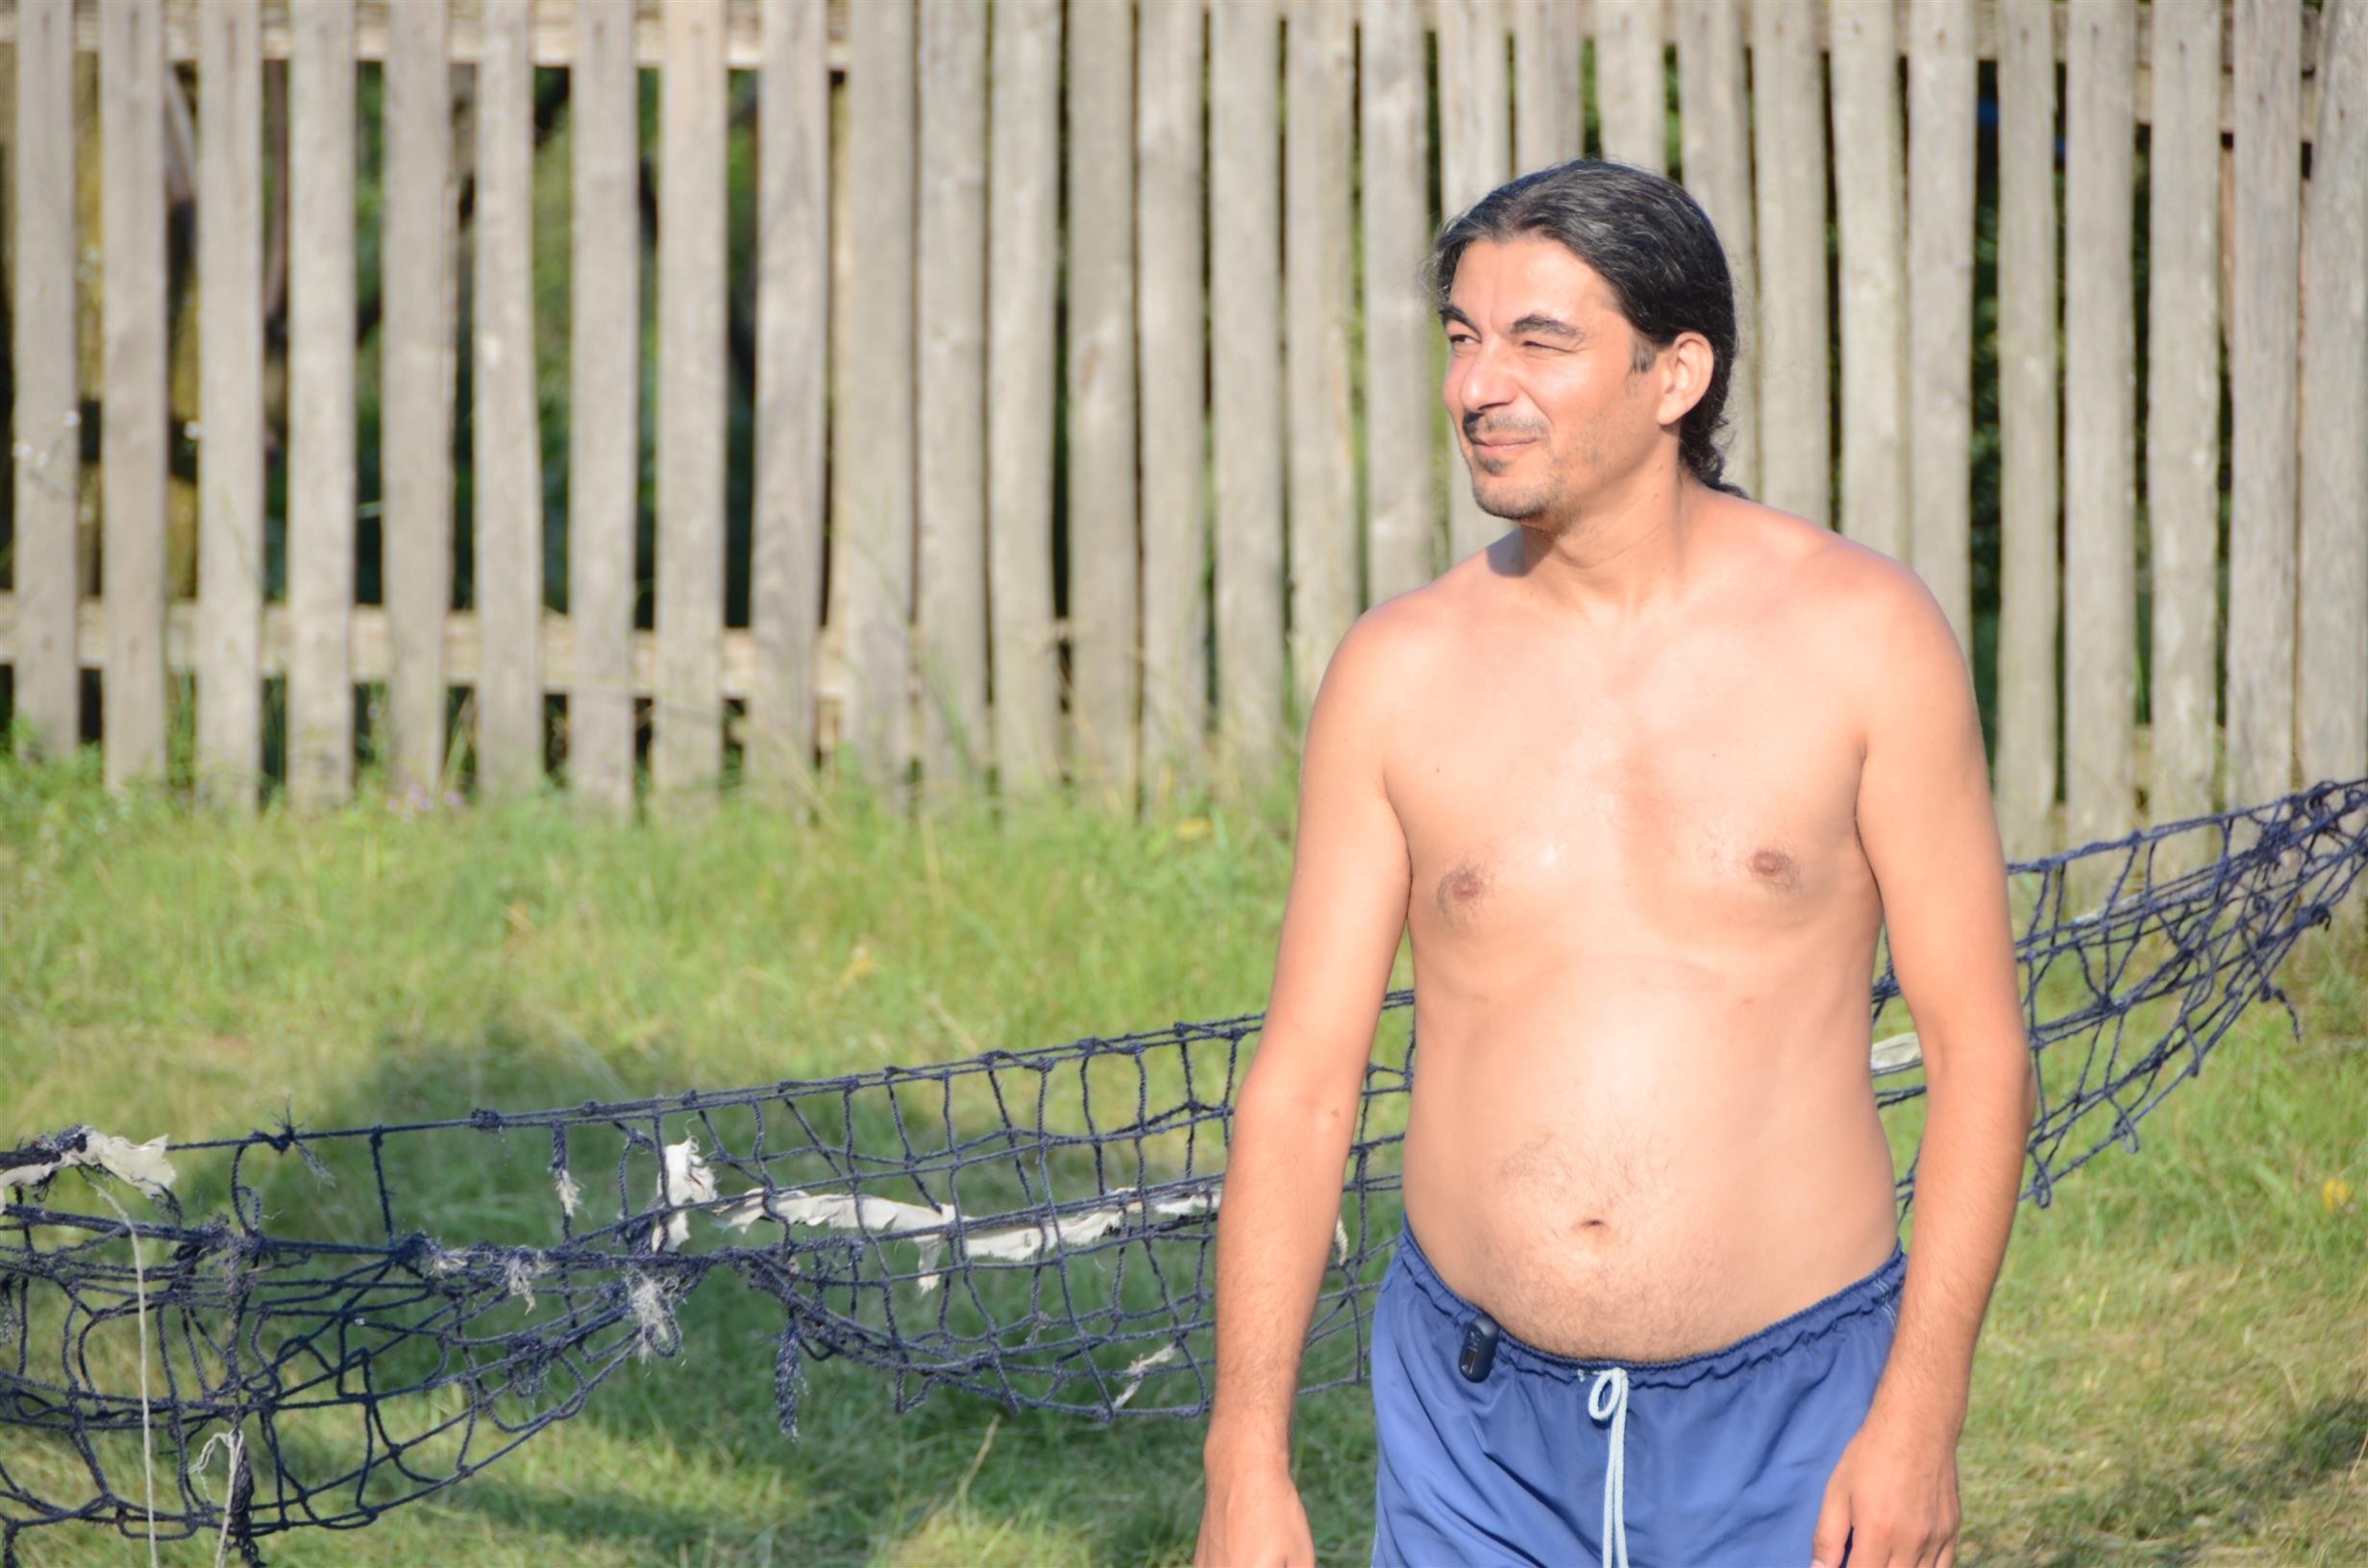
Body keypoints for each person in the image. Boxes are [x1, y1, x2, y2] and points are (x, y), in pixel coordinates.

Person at [1192, 159, 2035, 1568]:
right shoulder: (1397, 674)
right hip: (1470, 1433)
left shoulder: (1864, 640)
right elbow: (1302, 1084)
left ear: (1675, 375)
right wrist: (1244, 1454)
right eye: (1462, 337)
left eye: (1540, 341)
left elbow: (1981, 1052)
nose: (1478, 386)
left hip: (1796, 1421)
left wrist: (1921, 1415)